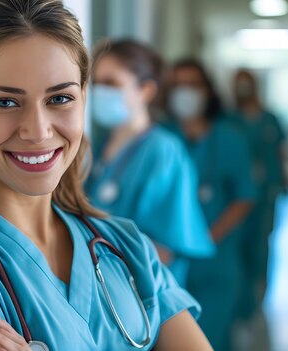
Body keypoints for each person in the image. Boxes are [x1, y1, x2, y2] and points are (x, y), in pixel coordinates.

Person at [0, 1, 213, 350]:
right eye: (5, 102)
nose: (38, 131)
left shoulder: (126, 246)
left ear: (83, 98)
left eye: (59, 98)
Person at [85, 40, 214, 287]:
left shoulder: (163, 151)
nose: (99, 91)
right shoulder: (100, 146)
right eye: (96, 83)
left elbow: (164, 250)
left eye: (111, 83)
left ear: (145, 90)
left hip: (142, 291)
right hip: (103, 284)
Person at [164, 59, 256, 351]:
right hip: (168, 262)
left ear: (207, 92)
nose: (184, 93)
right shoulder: (161, 139)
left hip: (215, 261)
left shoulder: (229, 139)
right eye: (177, 86)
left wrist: (203, 239)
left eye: (192, 85)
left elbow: (245, 196)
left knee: (212, 338)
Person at [229, 69, 288, 323]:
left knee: (261, 245)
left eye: (247, 85)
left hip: (265, 195)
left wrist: (285, 181)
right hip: (235, 198)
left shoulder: (270, 120)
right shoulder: (229, 121)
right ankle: (242, 302)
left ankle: (259, 297)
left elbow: (280, 154)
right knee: (237, 247)